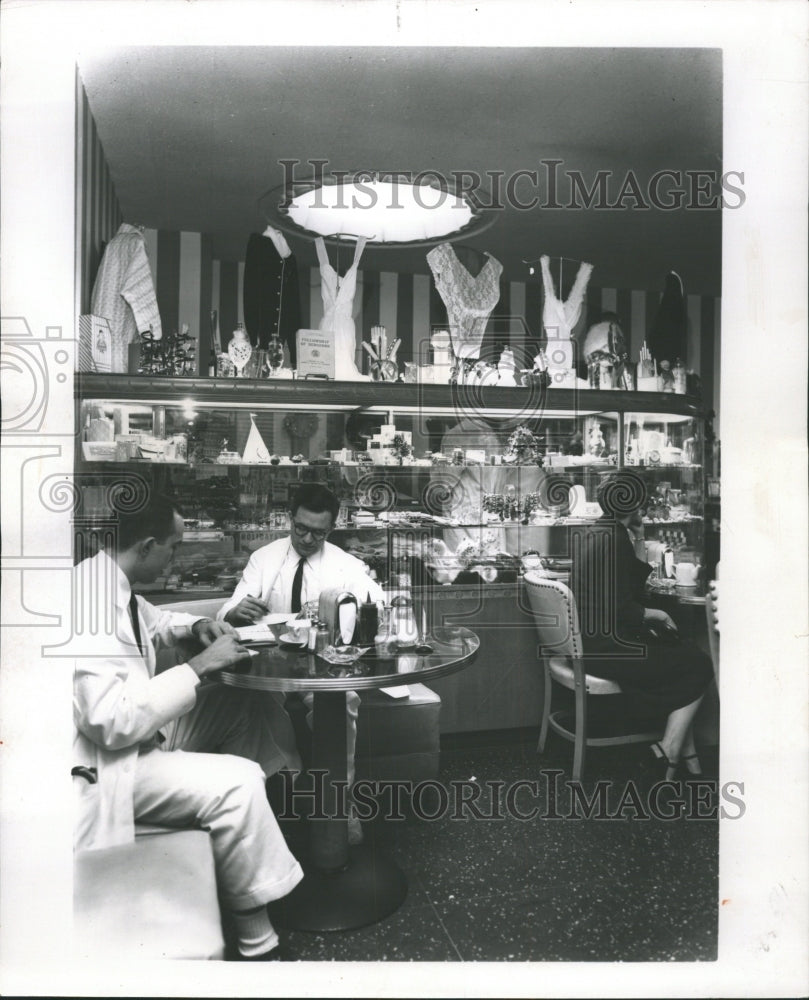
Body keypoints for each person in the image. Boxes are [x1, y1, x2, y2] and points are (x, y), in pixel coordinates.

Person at [72, 494, 303, 961]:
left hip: (138, 741)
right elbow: (111, 722)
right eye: (174, 548)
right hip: (109, 769)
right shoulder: (89, 602)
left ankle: (252, 836)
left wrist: (197, 624)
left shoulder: (111, 580)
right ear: (148, 546)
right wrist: (199, 667)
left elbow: (156, 623)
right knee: (237, 784)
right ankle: (259, 939)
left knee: (242, 703)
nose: (175, 556)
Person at [218, 482, 385, 840]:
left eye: (319, 533)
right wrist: (236, 610)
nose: (308, 539)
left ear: (332, 529)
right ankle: (296, 789)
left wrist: (359, 610)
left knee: (345, 701)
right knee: (259, 707)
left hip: (323, 673)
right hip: (270, 673)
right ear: (290, 519)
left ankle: (340, 802)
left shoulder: (346, 564)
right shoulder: (264, 558)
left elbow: (378, 605)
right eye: (301, 529)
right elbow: (228, 608)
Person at [570, 469, 714, 780]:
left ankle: (677, 751)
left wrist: (635, 536)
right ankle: (670, 750)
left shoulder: (600, 531)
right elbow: (622, 606)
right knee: (698, 663)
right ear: (635, 505)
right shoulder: (614, 539)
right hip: (608, 648)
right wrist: (654, 614)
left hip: (592, 643)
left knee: (679, 654)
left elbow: (618, 595)